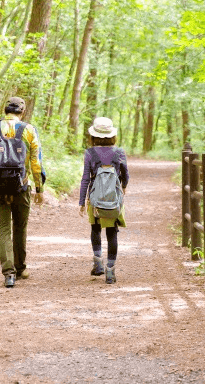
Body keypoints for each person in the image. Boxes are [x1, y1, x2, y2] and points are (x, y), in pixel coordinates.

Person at [0, 97, 45, 288]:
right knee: (20, 226)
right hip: (21, 186)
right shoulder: (29, 130)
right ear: (22, 112)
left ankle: (9, 273)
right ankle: (20, 267)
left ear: (4, 109)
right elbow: (36, 161)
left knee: (3, 228)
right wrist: (39, 187)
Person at [78, 117, 129, 284]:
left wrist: (81, 201)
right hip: (113, 197)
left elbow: (86, 178)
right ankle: (110, 272)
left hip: (94, 197)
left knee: (95, 228)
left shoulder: (90, 153)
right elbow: (125, 174)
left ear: (94, 135)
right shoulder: (119, 152)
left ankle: (97, 263)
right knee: (112, 232)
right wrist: (124, 187)